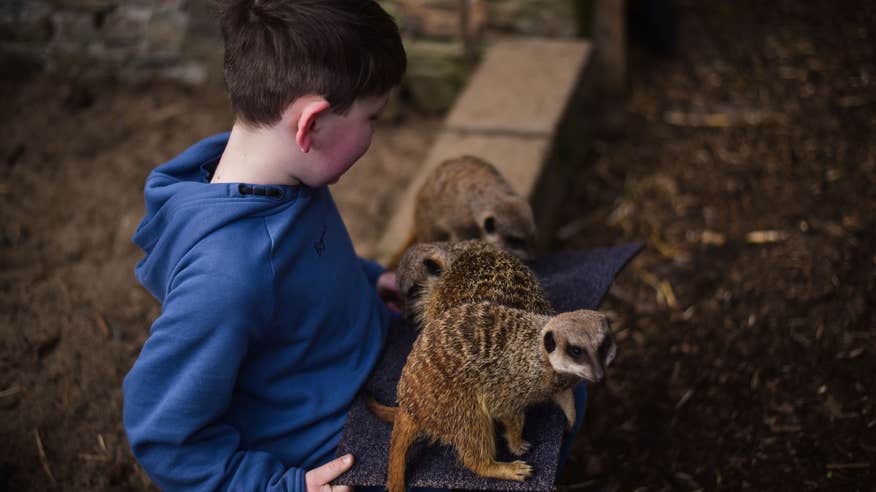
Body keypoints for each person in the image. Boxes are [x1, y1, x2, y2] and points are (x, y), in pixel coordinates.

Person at [122, 1, 406, 490]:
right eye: (373, 117)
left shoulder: (289, 171)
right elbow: (164, 435)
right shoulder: (226, 278)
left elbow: (310, 264)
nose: (374, 134)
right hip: (332, 441)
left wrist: (369, 278)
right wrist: (280, 486)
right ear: (311, 124)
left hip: (371, 356)